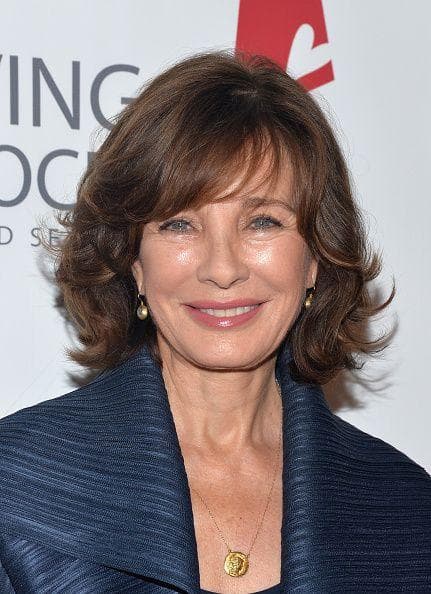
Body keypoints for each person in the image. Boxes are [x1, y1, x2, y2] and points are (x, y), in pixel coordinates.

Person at [0, 50, 430, 594]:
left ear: (316, 257)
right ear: (134, 261)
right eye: (179, 224)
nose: (222, 270)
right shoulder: (17, 490)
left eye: (262, 221)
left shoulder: (404, 508)